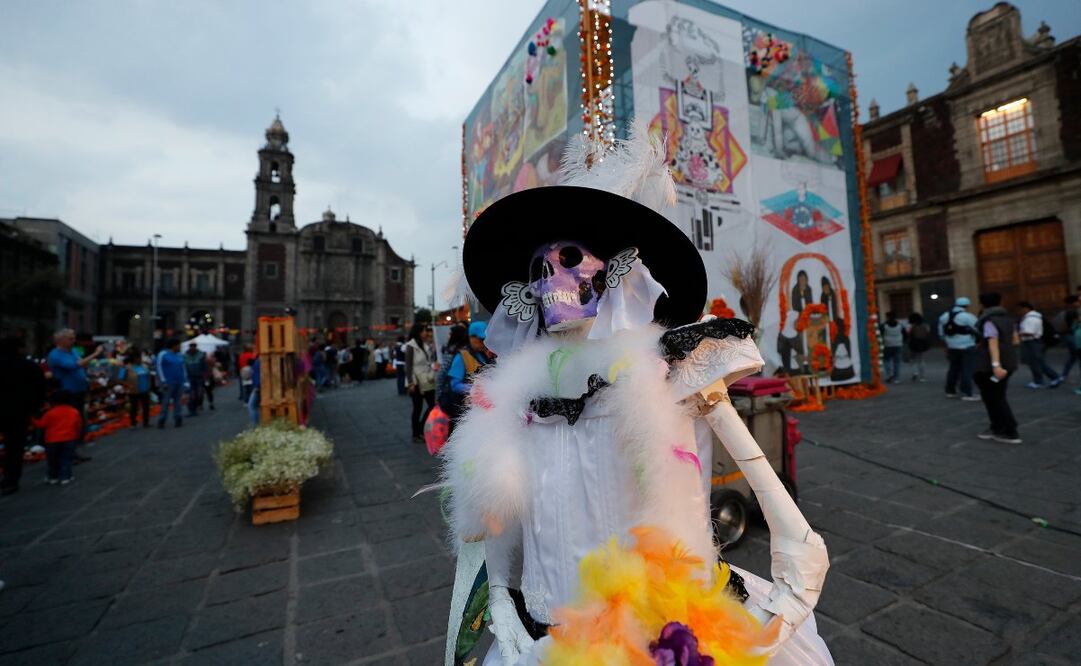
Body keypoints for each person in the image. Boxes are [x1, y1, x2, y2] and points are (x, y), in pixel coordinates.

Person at [441, 133, 829, 664]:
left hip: (659, 628)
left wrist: (794, 586)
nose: (551, 277)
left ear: (614, 269)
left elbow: (779, 506)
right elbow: (487, 521)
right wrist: (502, 607)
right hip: (544, 629)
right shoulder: (513, 395)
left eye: (569, 258)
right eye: (538, 270)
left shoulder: (675, 364)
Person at [0, 336, 47, 495]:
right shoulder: (28, 366)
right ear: (19, 348)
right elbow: (40, 388)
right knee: (14, 447)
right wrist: (34, 407)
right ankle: (10, 480)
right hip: (18, 411)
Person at [47, 328, 102, 459]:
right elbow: (75, 365)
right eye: (70, 338)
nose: (74, 340)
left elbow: (81, 365)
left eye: (73, 337)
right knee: (70, 423)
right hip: (67, 393)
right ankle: (67, 454)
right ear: (60, 340)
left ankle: (73, 451)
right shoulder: (56, 354)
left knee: (78, 421)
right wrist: (95, 354)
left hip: (78, 391)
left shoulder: (73, 351)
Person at [974, 292, 1021, 444]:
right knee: (996, 396)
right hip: (1009, 363)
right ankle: (997, 427)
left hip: (991, 366)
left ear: (982, 304)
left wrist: (996, 365)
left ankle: (1009, 430)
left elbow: (992, 342)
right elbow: (1015, 340)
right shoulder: (1009, 319)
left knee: (994, 397)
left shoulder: (988, 320)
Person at [32, 390, 81, 485]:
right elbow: (78, 426)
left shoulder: (50, 413)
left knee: (52, 460)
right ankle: (65, 477)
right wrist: (76, 436)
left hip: (52, 441)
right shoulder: (74, 411)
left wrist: (33, 420)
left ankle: (53, 477)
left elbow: (41, 425)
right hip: (69, 439)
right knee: (66, 459)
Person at [938, 296, 980, 400]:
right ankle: (968, 392)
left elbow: (941, 334)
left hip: (952, 347)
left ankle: (950, 391)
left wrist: (948, 342)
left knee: (953, 369)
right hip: (967, 346)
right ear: (967, 306)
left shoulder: (944, 316)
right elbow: (978, 327)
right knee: (967, 369)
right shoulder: (967, 316)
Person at [1017, 301, 1062, 389]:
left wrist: (1019, 333)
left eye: (1020, 309)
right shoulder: (1032, 317)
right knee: (1035, 361)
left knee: (1037, 361)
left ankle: (1053, 377)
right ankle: (1040, 379)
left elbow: (1030, 332)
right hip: (1033, 341)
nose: (1018, 311)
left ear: (1025, 308)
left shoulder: (1031, 318)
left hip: (1033, 341)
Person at [405, 324, 437, 443]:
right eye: (424, 331)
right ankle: (415, 434)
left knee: (432, 405)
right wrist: (410, 383)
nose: (426, 333)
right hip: (416, 381)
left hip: (427, 379)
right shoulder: (410, 345)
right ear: (418, 332)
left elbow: (429, 361)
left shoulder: (425, 344)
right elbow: (408, 366)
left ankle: (420, 428)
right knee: (417, 408)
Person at [446, 321, 491, 401]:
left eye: (486, 339)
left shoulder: (483, 353)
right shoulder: (461, 356)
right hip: (467, 404)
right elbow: (455, 385)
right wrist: (475, 389)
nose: (484, 343)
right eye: (481, 339)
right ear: (471, 337)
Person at [156, 338, 187, 428]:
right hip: (168, 383)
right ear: (174, 345)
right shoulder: (163, 354)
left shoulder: (179, 355)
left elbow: (183, 368)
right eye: (178, 345)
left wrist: (185, 381)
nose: (179, 347)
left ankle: (178, 418)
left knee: (178, 402)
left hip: (179, 382)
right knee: (165, 402)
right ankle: (162, 420)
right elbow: (159, 368)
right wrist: (163, 381)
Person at [120, 350, 152, 427]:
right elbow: (120, 379)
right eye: (138, 358)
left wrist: (149, 386)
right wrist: (127, 385)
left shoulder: (144, 366)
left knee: (146, 407)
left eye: (140, 357)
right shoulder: (127, 368)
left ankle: (146, 422)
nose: (140, 359)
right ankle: (133, 422)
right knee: (134, 407)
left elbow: (148, 377)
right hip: (133, 391)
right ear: (134, 358)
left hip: (145, 390)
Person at [1054, 295, 1080, 382]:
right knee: (1075, 356)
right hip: (1073, 336)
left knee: (1073, 357)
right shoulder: (1073, 312)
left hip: (1066, 336)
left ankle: (1064, 375)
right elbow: (1072, 326)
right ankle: (1064, 375)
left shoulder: (1065, 312)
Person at [183, 342, 208, 415]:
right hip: (189, 377)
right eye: (191, 346)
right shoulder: (185, 355)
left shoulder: (201, 355)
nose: (192, 347)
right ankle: (191, 409)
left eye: (194, 346)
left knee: (199, 394)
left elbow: (204, 366)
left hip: (199, 376)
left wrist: (205, 375)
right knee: (190, 394)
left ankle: (197, 405)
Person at [880, 311, 904, 383]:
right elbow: (904, 334)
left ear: (887, 317)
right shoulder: (900, 325)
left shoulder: (884, 325)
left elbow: (880, 333)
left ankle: (889, 375)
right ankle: (896, 378)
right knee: (897, 362)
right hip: (898, 344)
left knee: (886, 360)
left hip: (887, 344)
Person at [906, 312, 931, 382]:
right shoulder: (926, 325)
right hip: (923, 344)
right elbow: (927, 333)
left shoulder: (910, 326)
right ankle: (922, 377)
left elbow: (908, 334)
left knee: (912, 359)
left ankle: (914, 372)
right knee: (921, 360)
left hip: (913, 344)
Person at [248, 357, 262, 425]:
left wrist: (256, 386)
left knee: (251, 405)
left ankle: (255, 424)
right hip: (259, 386)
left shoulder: (258, 361)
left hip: (258, 387)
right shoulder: (258, 360)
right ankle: (255, 423)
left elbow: (257, 374)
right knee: (253, 405)